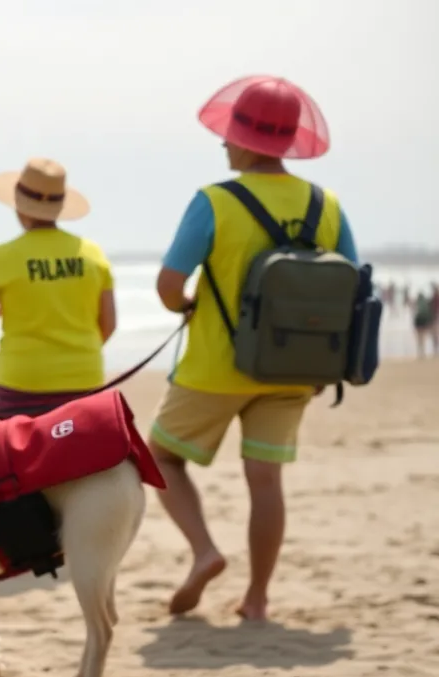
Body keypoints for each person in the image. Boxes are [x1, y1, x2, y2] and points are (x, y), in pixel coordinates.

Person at [148, 76, 359, 622]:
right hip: (295, 367)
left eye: (230, 134)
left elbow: (169, 284)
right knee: (265, 480)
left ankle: (204, 551)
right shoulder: (326, 205)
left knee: (160, 458)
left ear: (246, 141)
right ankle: (257, 598)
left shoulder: (215, 201)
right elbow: (353, 289)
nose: (223, 144)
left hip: (216, 366)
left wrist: (188, 306)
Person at [0, 157, 116, 416]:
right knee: (78, 456)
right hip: (84, 378)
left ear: (19, 206)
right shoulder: (92, 254)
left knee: (14, 455)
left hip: (20, 380)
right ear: (60, 206)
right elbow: (108, 324)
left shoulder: (2, 256)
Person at [415, 290, 436, 358]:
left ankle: (421, 352)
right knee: (422, 338)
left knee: (420, 338)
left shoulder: (419, 305)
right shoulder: (425, 305)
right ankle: (422, 352)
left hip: (419, 322)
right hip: (422, 322)